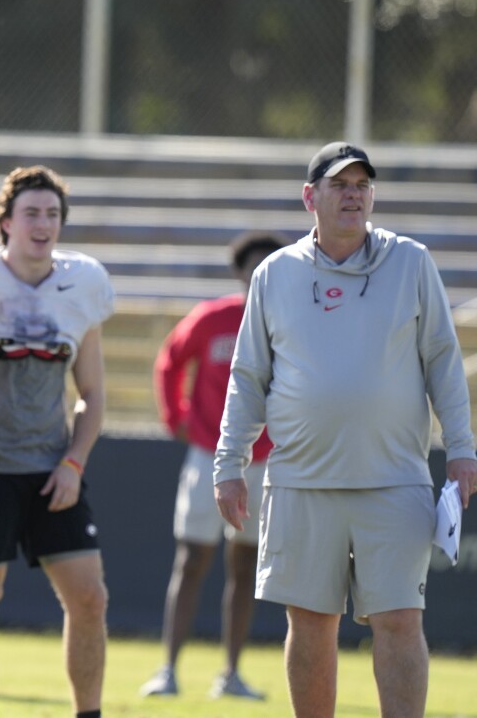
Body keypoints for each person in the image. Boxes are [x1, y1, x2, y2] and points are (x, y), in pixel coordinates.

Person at [215, 141, 476, 718]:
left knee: (400, 621)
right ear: (311, 197)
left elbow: (442, 359)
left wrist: (462, 451)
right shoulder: (274, 273)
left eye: (362, 184)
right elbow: (248, 374)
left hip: (394, 479)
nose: (353, 194)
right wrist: (228, 464)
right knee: (308, 624)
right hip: (300, 481)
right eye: (340, 184)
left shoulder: (411, 261)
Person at [0, 166, 114, 718]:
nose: (43, 223)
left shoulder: (84, 284)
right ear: (5, 222)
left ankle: (88, 713)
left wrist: (74, 461)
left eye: (52, 214)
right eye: (32, 213)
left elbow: (93, 393)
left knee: (90, 598)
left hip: (52, 466)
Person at [138, 231, 284, 701]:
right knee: (191, 559)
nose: (259, 275)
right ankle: (168, 669)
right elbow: (170, 362)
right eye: (253, 266)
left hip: (264, 459)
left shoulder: (289, 324)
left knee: (245, 566)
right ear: (240, 271)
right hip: (208, 453)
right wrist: (174, 416)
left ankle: (231, 673)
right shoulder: (213, 318)